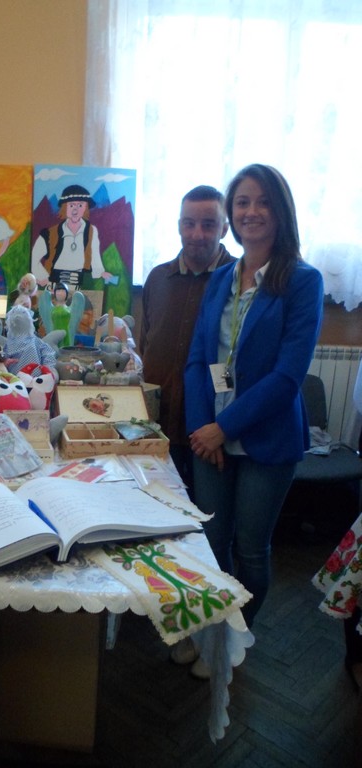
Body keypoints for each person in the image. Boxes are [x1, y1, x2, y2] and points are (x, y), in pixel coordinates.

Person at [185, 164, 324, 630]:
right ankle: (211, 631)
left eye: (263, 201)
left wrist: (223, 428)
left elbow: (287, 377)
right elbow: (198, 360)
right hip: (211, 436)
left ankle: (234, 639)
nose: (251, 211)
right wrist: (203, 429)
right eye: (242, 202)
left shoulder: (303, 281)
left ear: (281, 211)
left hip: (266, 438)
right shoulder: (221, 278)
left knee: (250, 550)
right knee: (210, 542)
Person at [140, 185, 235, 492]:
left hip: (211, 432)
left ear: (224, 229)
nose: (197, 234)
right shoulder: (157, 278)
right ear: (179, 225)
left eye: (208, 225)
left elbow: (232, 360)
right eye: (188, 223)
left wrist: (222, 425)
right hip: (157, 425)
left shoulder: (238, 281)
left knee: (206, 513)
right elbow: (146, 345)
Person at [31, 185, 113, 290]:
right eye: (71, 205)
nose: (75, 210)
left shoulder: (91, 231)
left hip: (80, 285)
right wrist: (42, 276)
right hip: (54, 285)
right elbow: (34, 257)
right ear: (64, 207)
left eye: (80, 205)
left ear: (86, 207)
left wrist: (101, 272)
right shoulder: (49, 234)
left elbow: (95, 257)